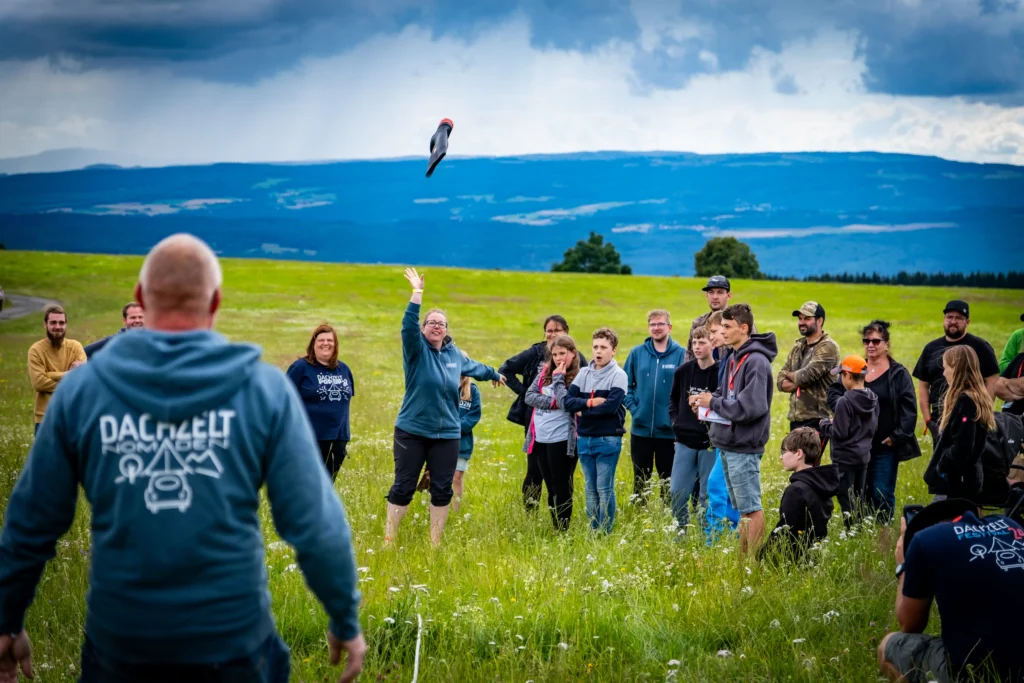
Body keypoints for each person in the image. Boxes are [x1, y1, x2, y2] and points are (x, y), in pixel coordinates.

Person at [0, 234, 366, 683]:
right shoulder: (262, 389)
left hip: (121, 647)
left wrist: (7, 618)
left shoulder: (82, 392)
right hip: (236, 644)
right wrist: (343, 615)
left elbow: (31, 520)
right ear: (215, 300)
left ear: (140, 299)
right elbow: (313, 520)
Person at [386, 267, 505, 547]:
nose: (437, 326)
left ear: (447, 330)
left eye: (442, 323)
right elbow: (407, 324)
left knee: (442, 489)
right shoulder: (416, 350)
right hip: (412, 431)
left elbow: (474, 366)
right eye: (432, 323)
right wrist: (417, 293)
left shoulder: (454, 354)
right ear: (424, 328)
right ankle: (389, 540)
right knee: (404, 486)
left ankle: (434, 543)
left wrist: (494, 374)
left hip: (447, 435)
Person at [879, 498, 1024, 683]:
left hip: (975, 672)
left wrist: (903, 568)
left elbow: (910, 625)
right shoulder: (1011, 524)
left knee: (887, 647)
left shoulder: (924, 539)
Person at [695, 303, 778, 554]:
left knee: (751, 507)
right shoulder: (733, 357)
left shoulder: (756, 361)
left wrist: (715, 402)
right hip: (728, 443)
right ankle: (743, 557)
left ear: (744, 328)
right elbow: (724, 394)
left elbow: (751, 407)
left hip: (745, 444)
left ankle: (751, 561)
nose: (723, 331)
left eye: (728, 327)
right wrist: (705, 400)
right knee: (742, 508)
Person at [828, 320, 920, 524]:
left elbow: (909, 409)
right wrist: (842, 405)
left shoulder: (898, 373)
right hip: (856, 446)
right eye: (866, 341)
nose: (870, 345)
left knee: (881, 493)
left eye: (876, 341)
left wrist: (896, 437)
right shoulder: (856, 368)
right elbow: (834, 392)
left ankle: (883, 537)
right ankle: (860, 535)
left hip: (884, 445)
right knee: (858, 495)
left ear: (886, 344)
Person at [499, 315, 585, 512]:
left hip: (565, 427)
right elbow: (507, 370)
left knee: (562, 474)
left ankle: (560, 515)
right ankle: (531, 512)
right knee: (535, 470)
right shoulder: (535, 353)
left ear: (567, 333)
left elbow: (573, 397)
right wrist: (524, 393)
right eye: (549, 330)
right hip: (536, 420)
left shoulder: (578, 362)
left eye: (558, 330)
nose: (553, 334)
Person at [558, 328, 628, 533]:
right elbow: (568, 402)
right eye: (595, 347)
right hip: (585, 438)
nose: (598, 351)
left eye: (604, 347)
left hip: (607, 439)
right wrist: (590, 402)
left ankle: (605, 531)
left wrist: (583, 411)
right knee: (590, 489)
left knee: (604, 488)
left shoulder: (619, 375)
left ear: (613, 350)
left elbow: (610, 408)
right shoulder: (583, 374)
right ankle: (593, 530)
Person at [913, 300, 1000, 445]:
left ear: (968, 321)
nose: (953, 321)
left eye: (959, 318)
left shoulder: (980, 347)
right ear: (944, 320)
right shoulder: (931, 348)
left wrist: (982, 412)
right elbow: (923, 385)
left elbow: (993, 381)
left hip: (971, 419)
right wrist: (929, 420)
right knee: (941, 464)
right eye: (949, 317)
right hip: (939, 421)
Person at [623, 309, 686, 504]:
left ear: (669, 327)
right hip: (641, 430)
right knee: (640, 479)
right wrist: (635, 409)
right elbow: (624, 385)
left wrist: (674, 418)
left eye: (660, 324)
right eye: (653, 324)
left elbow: (686, 392)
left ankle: (667, 517)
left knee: (668, 481)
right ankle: (639, 516)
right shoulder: (637, 353)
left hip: (669, 432)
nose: (656, 328)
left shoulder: (681, 354)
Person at [923, 345, 997, 501]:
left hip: (956, 483)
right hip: (965, 481)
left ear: (956, 368)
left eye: (946, 368)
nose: (944, 373)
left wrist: (942, 466)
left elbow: (963, 446)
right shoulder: (975, 399)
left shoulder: (966, 402)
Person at [523, 335, 581, 530]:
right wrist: (552, 403)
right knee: (549, 486)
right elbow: (529, 397)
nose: (558, 358)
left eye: (562, 353)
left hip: (562, 438)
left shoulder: (578, 376)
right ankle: (555, 525)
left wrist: (558, 379)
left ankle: (563, 529)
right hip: (540, 438)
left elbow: (568, 403)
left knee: (561, 485)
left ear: (573, 353)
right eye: (555, 354)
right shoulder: (544, 374)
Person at [757, 427, 839, 564]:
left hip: (791, 560)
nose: (781, 457)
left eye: (784, 452)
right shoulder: (822, 484)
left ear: (799, 454)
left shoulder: (796, 490)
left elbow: (784, 530)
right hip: (813, 557)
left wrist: (761, 556)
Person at [286, 323, 355, 482]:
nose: (326, 343)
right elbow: (284, 399)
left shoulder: (344, 369)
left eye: (330, 340)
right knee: (306, 483)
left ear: (335, 344)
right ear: (313, 344)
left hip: (338, 437)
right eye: (321, 340)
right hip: (309, 437)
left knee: (327, 485)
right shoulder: (300, 368)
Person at [819, 355, 879, 528]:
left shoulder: (844, 401)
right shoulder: (873, 398)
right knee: (860, 496)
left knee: (845, 496)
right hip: (863, 456)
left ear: (848, 376)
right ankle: (861, 527)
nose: (840, 379)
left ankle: (852, 529)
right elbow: (873, 428)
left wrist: (825, 424)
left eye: (841, 375)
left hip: (844, 458)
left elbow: (839, 433)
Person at [668, 325, 718, 530]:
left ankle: (707, 533)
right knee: (677, 491)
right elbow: (672, 401)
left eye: (702, 342)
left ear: (713, 344)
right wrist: (675, 422)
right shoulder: (683, 371)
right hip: (684, 441)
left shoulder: (721, 372)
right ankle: (681, 529)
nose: (697, 347)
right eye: (694, 343)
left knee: (707, 493)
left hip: (710, 442)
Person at [703, 311, 741, 542]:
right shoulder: (727, 357)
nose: (713, 337)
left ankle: (714, 540)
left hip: (735, 435)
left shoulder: (739, 358)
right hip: (723, 433)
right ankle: (731, 537)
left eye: (715, 332)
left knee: (717, 486)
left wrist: (713, 402)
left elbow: (737, 400)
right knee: (727, 490)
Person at [777, 301, 840, 432]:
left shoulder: (827, 347)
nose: (801, 322)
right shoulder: (798, 346)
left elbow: (805, 377)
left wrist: (793, 376)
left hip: (818, 419)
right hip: (796, 418)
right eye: (800, 319)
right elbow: (779, 380)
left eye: (807, 318)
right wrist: (799, 380)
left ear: (820, 321)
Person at [27, 304, 86, 435]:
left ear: (66, 324)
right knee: (46, 456)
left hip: (73, 417)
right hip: (45, 419)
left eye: (61, 323)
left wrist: (50, 374)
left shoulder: (76, 347)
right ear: (45, 324)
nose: (57, 327)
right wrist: (70, 375)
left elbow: (83, 379)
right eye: (53, 322)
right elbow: (39, 383)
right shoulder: (36, 350)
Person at [684, 275, 732, 362]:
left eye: (720, 292)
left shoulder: (739, 322)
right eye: (711, 292)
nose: (715, 297)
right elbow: (690, 354)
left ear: (728, 296)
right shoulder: (698, 323)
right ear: (707, 295)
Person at [453, 374, 482, 511]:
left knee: (457, 477)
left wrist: (456, 428)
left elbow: (474, 414)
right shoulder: (444, 384)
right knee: (438, 477)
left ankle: (456, 510)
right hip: (440, 440)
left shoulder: (472, 390)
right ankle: (436, 509)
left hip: (462, 442)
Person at [995, 347, 1024, 417]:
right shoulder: (1020, 358)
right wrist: (1014, 396)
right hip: (1009, 420)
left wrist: (1007, 382)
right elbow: (997, 387)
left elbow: (1022, 385)